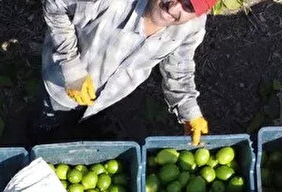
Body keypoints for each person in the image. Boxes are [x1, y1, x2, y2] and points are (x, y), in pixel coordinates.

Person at [37, 0, 215, 143]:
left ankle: (90, 118)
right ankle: (43, 132)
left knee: (94, 115)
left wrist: (188, 109)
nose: (174, 6)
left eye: (188, 5)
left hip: (111, 94)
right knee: (51, 116)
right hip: (61, 83)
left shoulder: (192, 26)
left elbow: (179, 66)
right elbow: (55, 5)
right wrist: (70, 66)